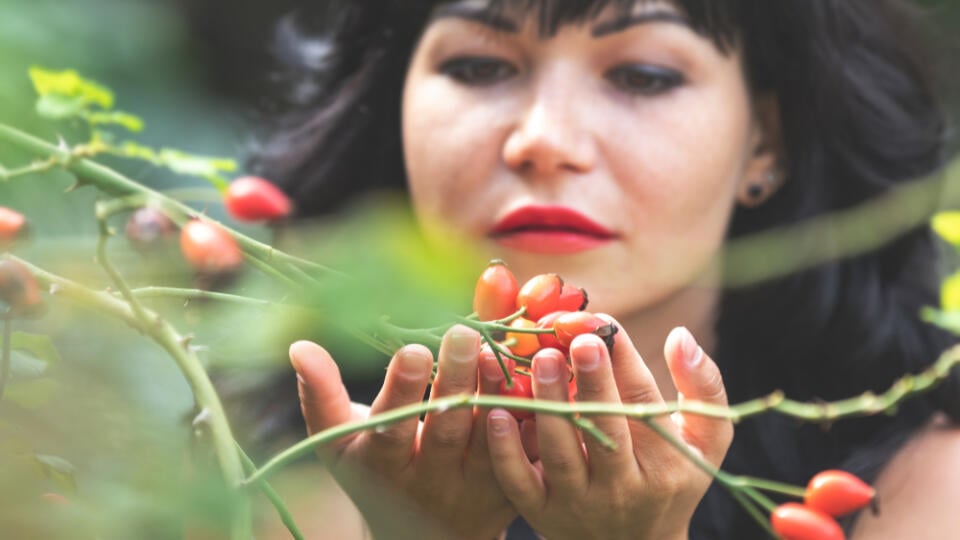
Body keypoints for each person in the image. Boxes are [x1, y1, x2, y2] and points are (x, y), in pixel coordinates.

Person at [243, 0, 960, 538]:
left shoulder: (925, 490)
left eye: (642, 76)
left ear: (764, 142)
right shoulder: (274, 469)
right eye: (478, 66)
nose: (545, 140)